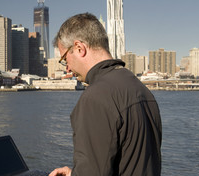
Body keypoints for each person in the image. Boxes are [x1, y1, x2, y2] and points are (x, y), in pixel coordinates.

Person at [49, 13, 162, 176]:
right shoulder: (140, 89)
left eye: (65, 59)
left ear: (79, 48)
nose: (67, 68)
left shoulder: (95, 98)